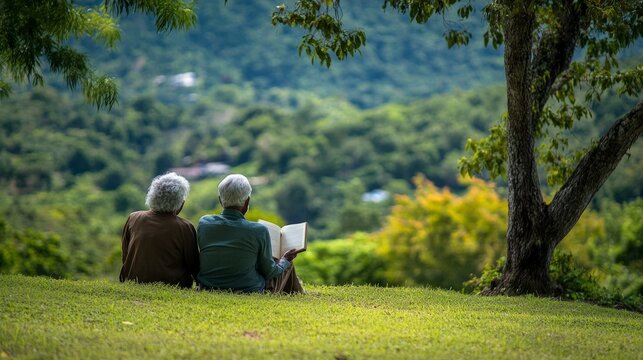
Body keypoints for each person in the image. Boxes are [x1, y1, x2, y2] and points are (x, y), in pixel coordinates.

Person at [197, 174, 304, 293]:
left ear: (220, 200)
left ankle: (298, 294)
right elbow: (270, 272)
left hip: (207, 287)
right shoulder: (258, 230)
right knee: (286, 264)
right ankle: (299, 294)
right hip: (248, 289)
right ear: (247, 201)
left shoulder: (204, 222)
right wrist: (285, 260)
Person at [120, 172, 199, 288]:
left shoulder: (134, 218)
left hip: (134, 282)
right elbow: (194, 265)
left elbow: (126, 255)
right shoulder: (185, 227)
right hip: (173, 286)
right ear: (180, 204)